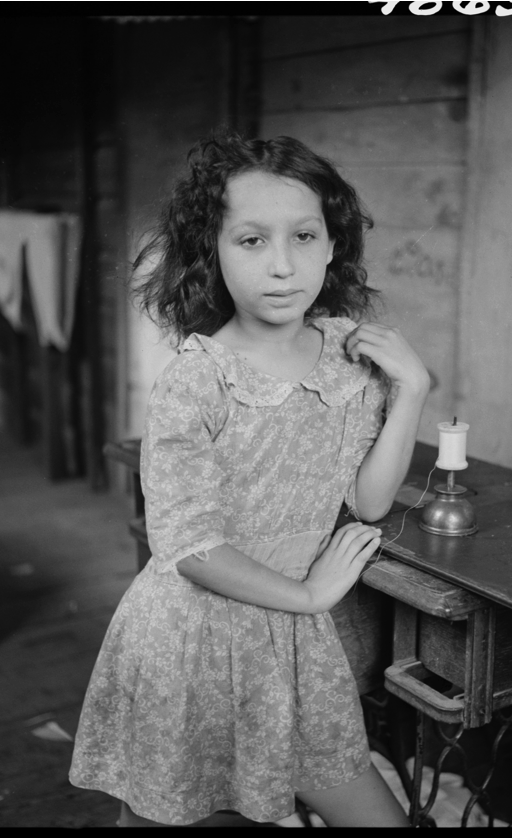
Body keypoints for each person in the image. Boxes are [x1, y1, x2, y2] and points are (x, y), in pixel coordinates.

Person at [69, 132, 430, 827]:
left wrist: (410, 390)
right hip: (191, 638)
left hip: (293, 645)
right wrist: (309, 592)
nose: (283, 266)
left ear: (332, 245)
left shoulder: (347, 361)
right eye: (252, 241)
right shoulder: (198, 379)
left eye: (303, 235)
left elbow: (368, 498)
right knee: (175, 811)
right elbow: (188, 545)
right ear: (214, 254)